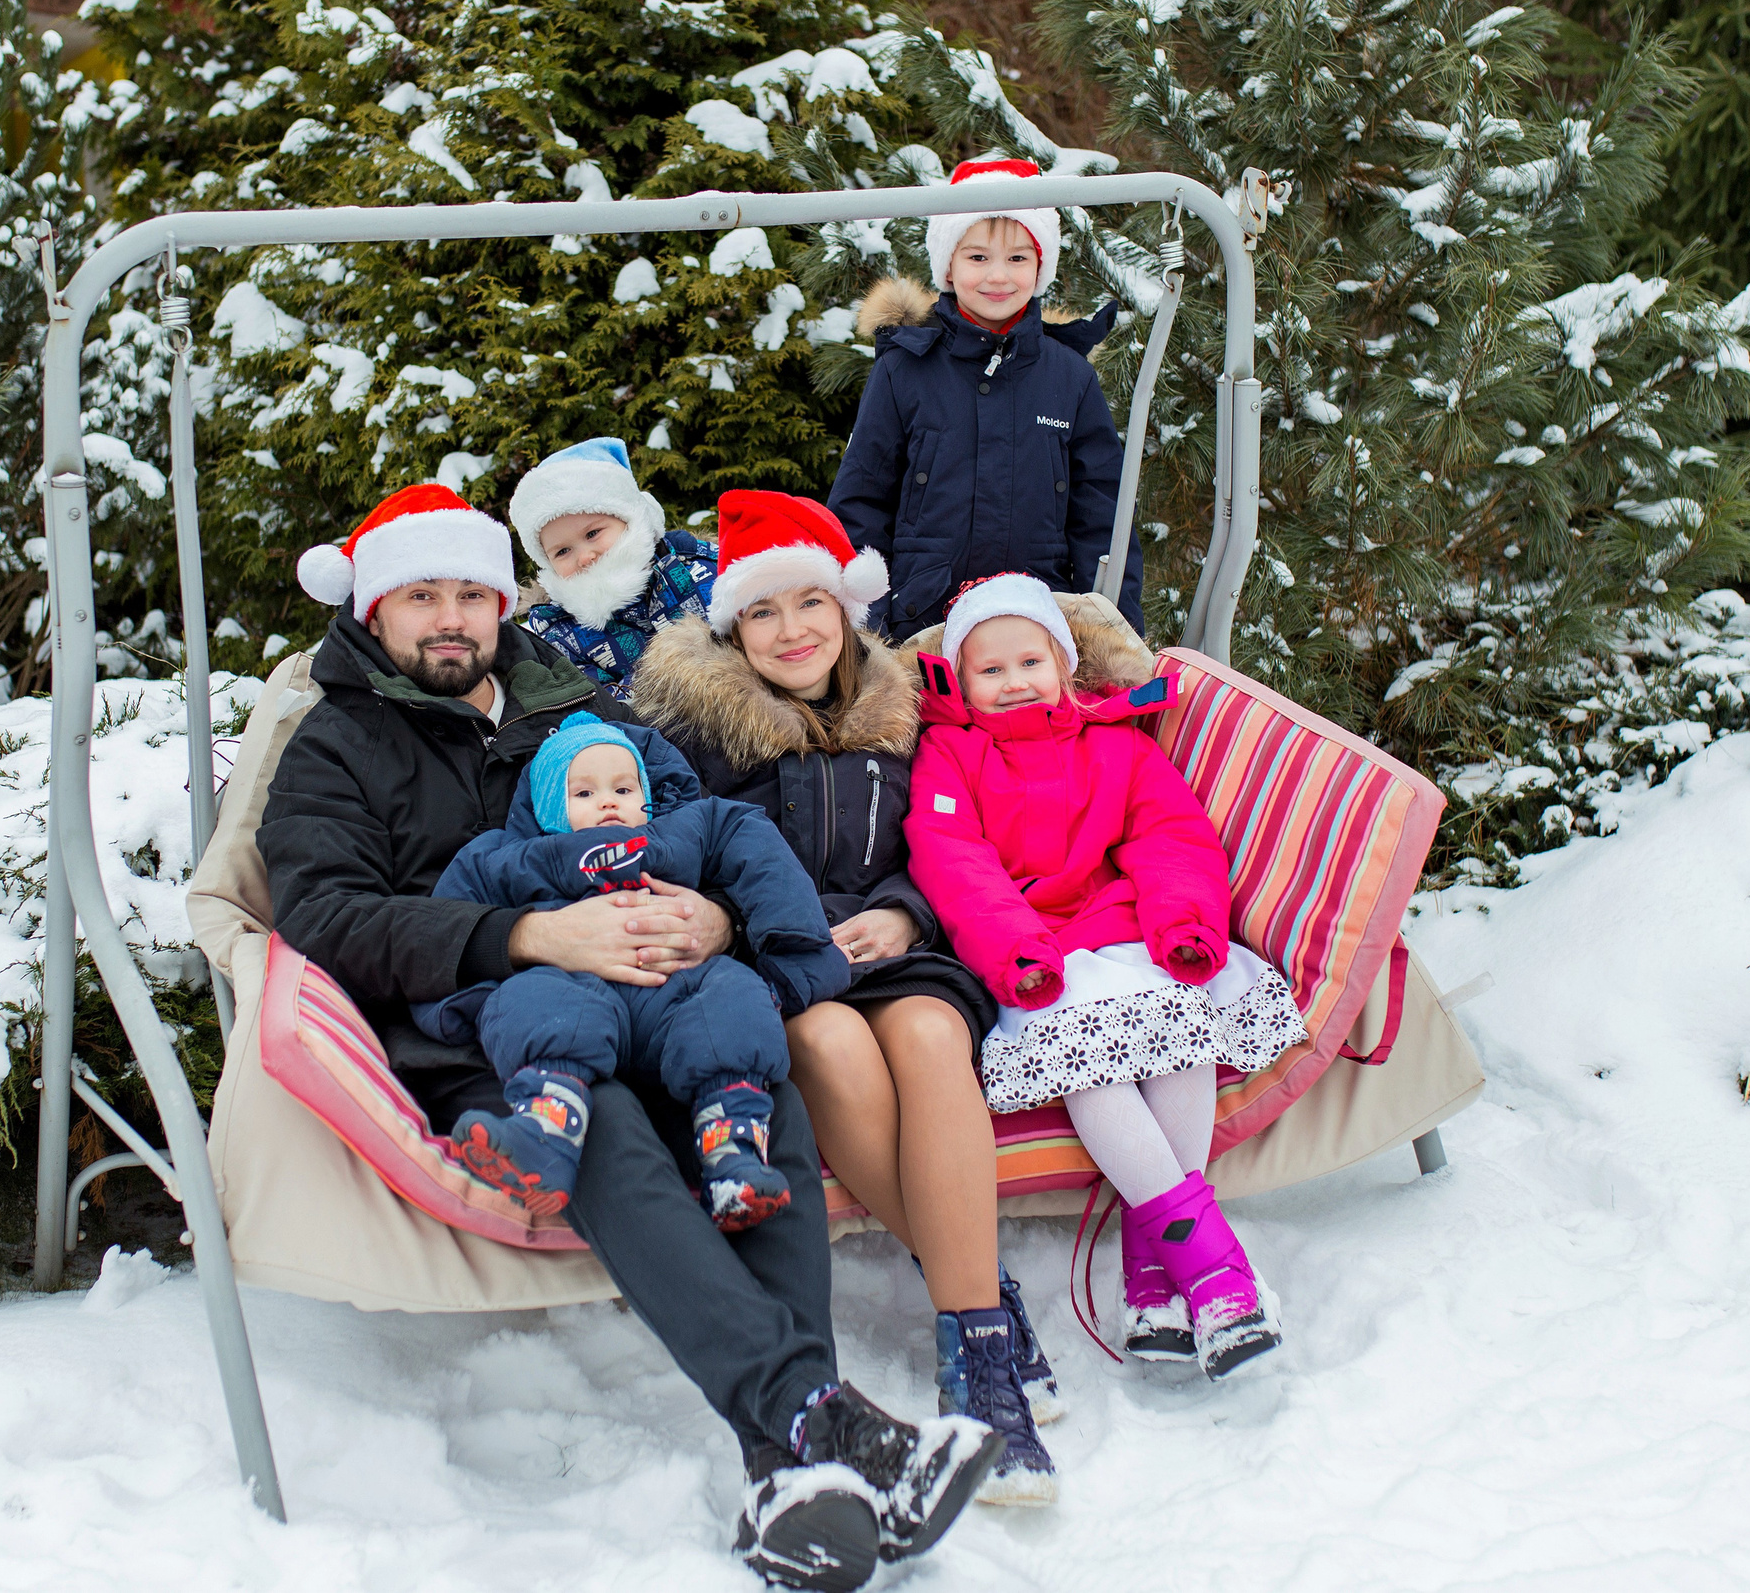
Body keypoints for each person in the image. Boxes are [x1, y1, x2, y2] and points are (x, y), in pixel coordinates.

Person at [261, 482, 999, 1590]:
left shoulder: (570, 710)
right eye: (422, 596)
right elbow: (322, 914)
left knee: (762, 1093)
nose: (451, 616)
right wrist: (528, 937)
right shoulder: (337, 746)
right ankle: (817, 1424)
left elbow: (707, 828)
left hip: (659, 987)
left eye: (470, 591)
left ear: (503, 601)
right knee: (603, 1129)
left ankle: (790, 1476)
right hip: (490, 1027)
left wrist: (719, 917)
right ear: (373, 612)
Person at [629, 490, 1060, 1507]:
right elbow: (684, 862)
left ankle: (978, 1352)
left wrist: (907, 916)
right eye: (763, 612)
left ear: (845, 607)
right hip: (781, 958)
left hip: (900, 942)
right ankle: (981, 1289)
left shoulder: (910, 709)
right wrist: (756, 923)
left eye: (809, 604)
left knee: (922, 1037)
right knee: (833, 1047)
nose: (791, 630)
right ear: (733, 627)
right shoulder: (693, 729)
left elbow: (954, 834)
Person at [903, 573, 1309, 1380]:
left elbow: (1170, 835)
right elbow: (955, 864)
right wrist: (1016, 949)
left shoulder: (1117, 741)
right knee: (1096, 1066)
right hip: (1033, 953)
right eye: (991, 670)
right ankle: (1217, 1273)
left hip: (1128, 931)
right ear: (960, 679)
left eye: (1030, 661)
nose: (1015, 682)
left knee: (1180, 1031)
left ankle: (1154, 1277)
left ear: (1064, 663)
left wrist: (1185, 923)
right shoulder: (949, 754)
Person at [414, 711, 853, 1230]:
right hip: (571, 992)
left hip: (673, 989)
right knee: (532, 996)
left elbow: (760, 854)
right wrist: (466, 1007)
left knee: (731, 995)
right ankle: (543, 1138)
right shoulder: (509, 857)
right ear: (551, 806)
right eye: (583, 793)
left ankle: (732, 1156)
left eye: (623, 788)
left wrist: (795, 956)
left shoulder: (687, 828)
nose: (607, 802)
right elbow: (449, 927)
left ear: (645, 793)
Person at [825, 158, 1131, 641]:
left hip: (1038, 626)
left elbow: (1103, 515)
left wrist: (1114, 631)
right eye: (978, 257)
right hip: (922, 623)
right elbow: (861, 504)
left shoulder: (1069, 376)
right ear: (949, 264)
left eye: (1017, 258)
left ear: (1040, 265)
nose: (998, 276)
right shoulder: (904, 369)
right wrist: (869, 628)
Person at [510, 435, 718, 686]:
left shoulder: (700, 569)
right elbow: (600, 702)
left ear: (630, 520)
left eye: (592, 534)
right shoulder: (561, 634)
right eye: (562, 551)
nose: (585, 557)